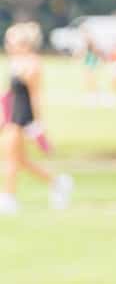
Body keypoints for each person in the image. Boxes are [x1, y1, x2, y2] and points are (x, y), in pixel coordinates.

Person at [2, 22, 72, 214]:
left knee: (10, 157)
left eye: (11, 41)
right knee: (19, 159)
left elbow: (34, 96)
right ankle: (58, 182)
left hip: (22, 116)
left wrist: (38, 125)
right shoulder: (15, 63)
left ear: (24, 44)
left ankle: (8, 198)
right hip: (12, 114)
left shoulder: (33, 64)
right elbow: (9, 94)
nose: (8, 45)